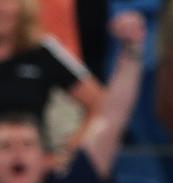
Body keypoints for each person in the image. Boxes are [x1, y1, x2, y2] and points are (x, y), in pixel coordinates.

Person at [0, 12, 145, 183]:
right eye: (6, 146)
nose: (18, 153)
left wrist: (131, 51)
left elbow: (112, 120)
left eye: (28, 144)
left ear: (44, 158)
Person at [0, 0, 105, 153]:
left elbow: (100, 103)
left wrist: (68, 155)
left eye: (9, 1)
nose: (1, 8)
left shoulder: (43, 51)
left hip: (29, 166)